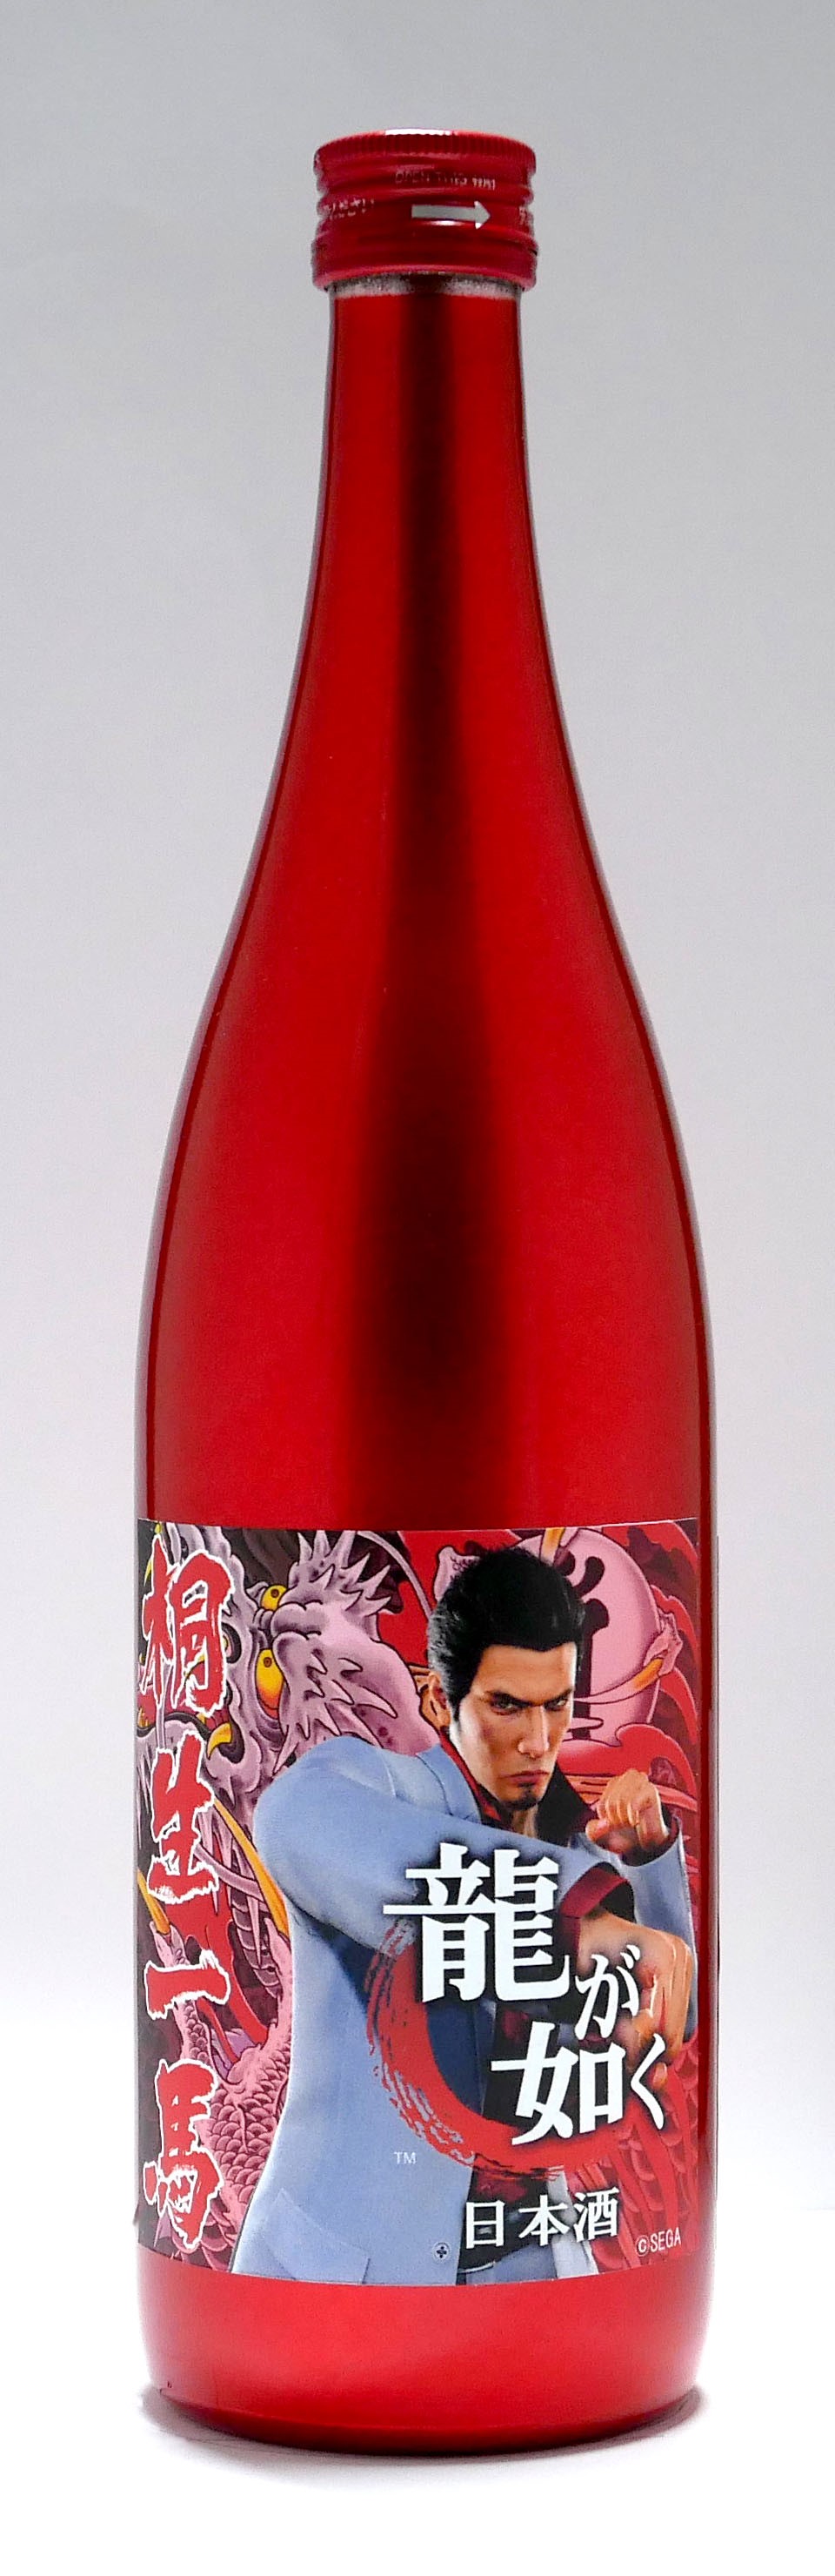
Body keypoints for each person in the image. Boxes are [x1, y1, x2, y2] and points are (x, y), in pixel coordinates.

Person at [232, 1545, 696, 2286]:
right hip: (343, 2276)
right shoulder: (380, 1790)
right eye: (506, 1705)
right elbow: (291, 1815)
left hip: (532, 2255)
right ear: (439, 1702)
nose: (537, 1742)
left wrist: (646, 1864)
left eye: (557, 1705)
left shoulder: (583, 1848)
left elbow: (669, 2022)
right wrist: (565, 1920)